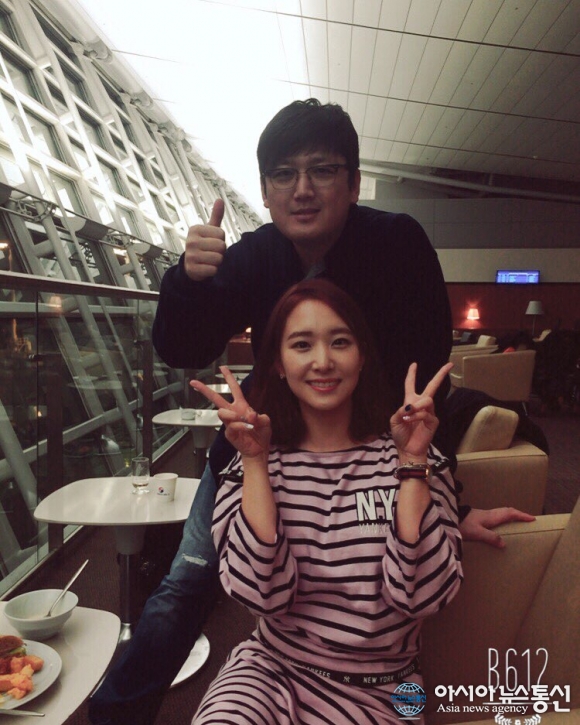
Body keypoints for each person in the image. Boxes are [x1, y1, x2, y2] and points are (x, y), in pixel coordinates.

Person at [89, 98, 533, 725]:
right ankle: (115, 716)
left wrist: (441, 498)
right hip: (259, 453)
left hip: (368, 458)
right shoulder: (253, 255)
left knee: (366, 589)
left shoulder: (397, 244)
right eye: (283, 174)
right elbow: (182, 348)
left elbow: (422, 381)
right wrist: (188, 280)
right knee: (186, 583)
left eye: (322, 170)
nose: (302, 189)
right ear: (265, 191)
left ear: (353, 183)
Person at [191, 278, 462, 724]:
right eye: (302, 345)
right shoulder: (250, 463)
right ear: (278, 364)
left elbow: (422, 598)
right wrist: (256, 463)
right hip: (270, 670)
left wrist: (413, 462)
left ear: (362, 356)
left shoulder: (414, 457)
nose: (323, 362)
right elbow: (263, 596)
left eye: (340, 342)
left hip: (386, 687)